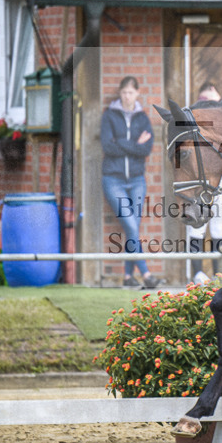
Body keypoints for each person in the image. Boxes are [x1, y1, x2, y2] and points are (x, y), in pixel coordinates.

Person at [101, 75, 157, 288]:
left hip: (136, 180)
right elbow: (107, 146)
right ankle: (146, 274)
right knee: (132, 226)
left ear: (137, 93)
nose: (127, 96)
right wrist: (134, 144)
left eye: (131, 92)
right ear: (119, 93)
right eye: (124, 92)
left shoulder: (142, 118)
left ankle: (127, 277)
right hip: (113, 179)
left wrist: (121, 142)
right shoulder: (109, 115)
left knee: (132, 228)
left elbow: (146, 149)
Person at [186, 82, 222, 283]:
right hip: (201, 181)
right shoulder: (193, 121)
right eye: (203, 101)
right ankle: (197, 274)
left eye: (211, 101)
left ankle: (218, 276)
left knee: (218, 228)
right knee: (197, 227)